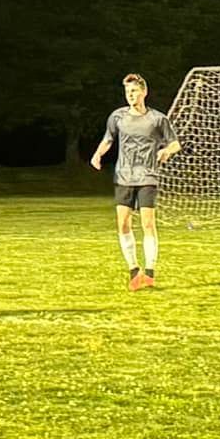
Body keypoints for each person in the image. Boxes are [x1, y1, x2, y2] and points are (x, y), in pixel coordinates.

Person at [90, 73, 181, 291]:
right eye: (127, 92)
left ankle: (149, 271)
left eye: (134, 91)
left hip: (148, 176)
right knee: (122, 224)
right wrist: (97, 154)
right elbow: (108, 139)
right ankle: (133, 270)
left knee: (148, 223)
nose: (130, 95)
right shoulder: (117, 117)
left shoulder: (157, 119)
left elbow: (176, 144)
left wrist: (166, 151)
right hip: (124, 176)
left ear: (144, 92)